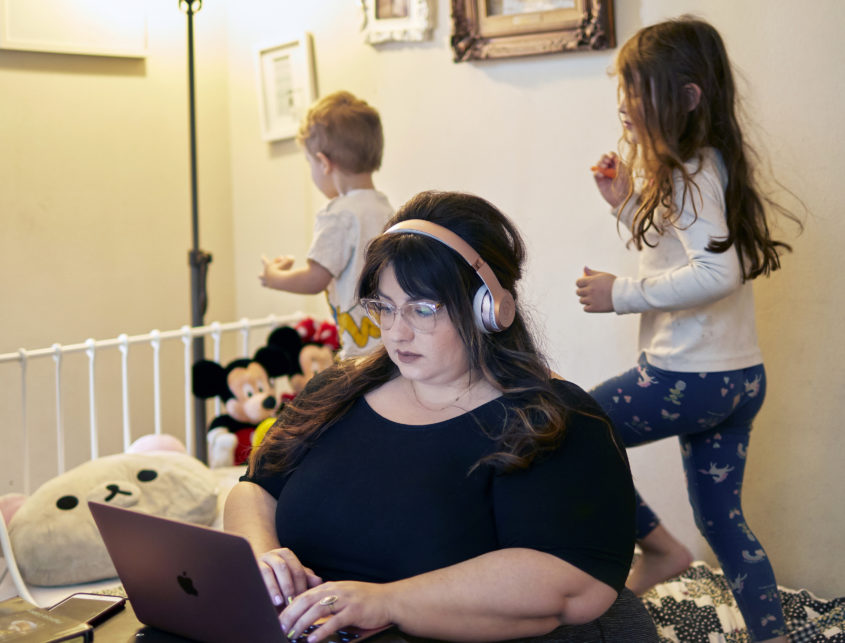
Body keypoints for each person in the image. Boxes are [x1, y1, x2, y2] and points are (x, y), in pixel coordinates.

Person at [227, 191, 658, 642]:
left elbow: (571, 584)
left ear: (488, 308)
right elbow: (255, 487)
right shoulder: (337, 391)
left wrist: (386, 602)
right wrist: (263, 559)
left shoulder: (552, 420)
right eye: (385, 307)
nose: (397, 332)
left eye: (422, 309)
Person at [575, 16, 802, 643]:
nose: (623, 102)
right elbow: (683, 254)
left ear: (689, 96)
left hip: (687, 378)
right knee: (724, 522)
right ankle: (774, 636)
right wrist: (625, 203)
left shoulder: (689, 171)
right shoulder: (710, 166)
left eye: (636, 88)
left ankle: (660, 551)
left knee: (574, 429)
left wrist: (621, 294)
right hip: (738, 379)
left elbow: (715, 273)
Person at [260, 90, 394, 358]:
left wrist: (274, 278)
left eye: (310, 162)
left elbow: (315, 278)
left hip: (360, 349)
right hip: (389, 343)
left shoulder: (339, 215)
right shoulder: (386, 209)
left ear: (323, 163)